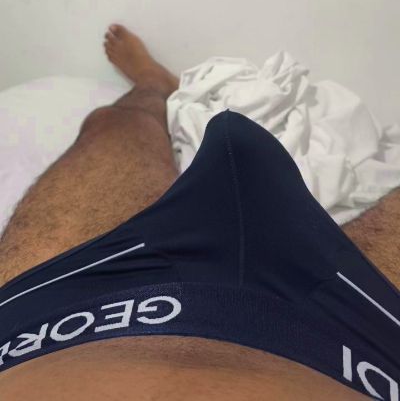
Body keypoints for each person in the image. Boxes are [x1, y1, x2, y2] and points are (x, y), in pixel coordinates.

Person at [0, 25, 398, 401]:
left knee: (114, 123)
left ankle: (152, 85)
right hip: (375, 347)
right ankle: (154, 85)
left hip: (45, 326)